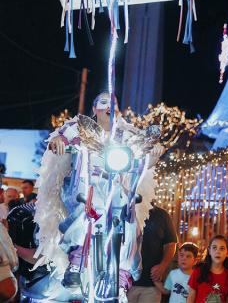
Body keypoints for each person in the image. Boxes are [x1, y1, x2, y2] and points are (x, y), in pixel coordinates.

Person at [34, 91, 164, 300]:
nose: (108, 107)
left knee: (131, 221)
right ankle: (76, 260)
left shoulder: (128, 134)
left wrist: (155, 151)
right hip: (86, 187)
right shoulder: (80, 127)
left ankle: (122, 274)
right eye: (103, 103)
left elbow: (144, 159)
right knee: (87, 205)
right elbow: (60, 139)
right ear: (94, 109)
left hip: (118, 190)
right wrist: (58, 140)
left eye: (113, 103)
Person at [128, 204, 178, 303]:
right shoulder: (125, 211)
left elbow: (171, 244)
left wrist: (163, 266)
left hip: (152, 283)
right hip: (126, 282)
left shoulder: (161, 215)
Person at [187, 235, 228, 303]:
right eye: (214, 248)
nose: (218, 251)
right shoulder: (198, 271)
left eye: (222, 248)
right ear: (209, 251)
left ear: (227, 253)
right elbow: (190, 297)